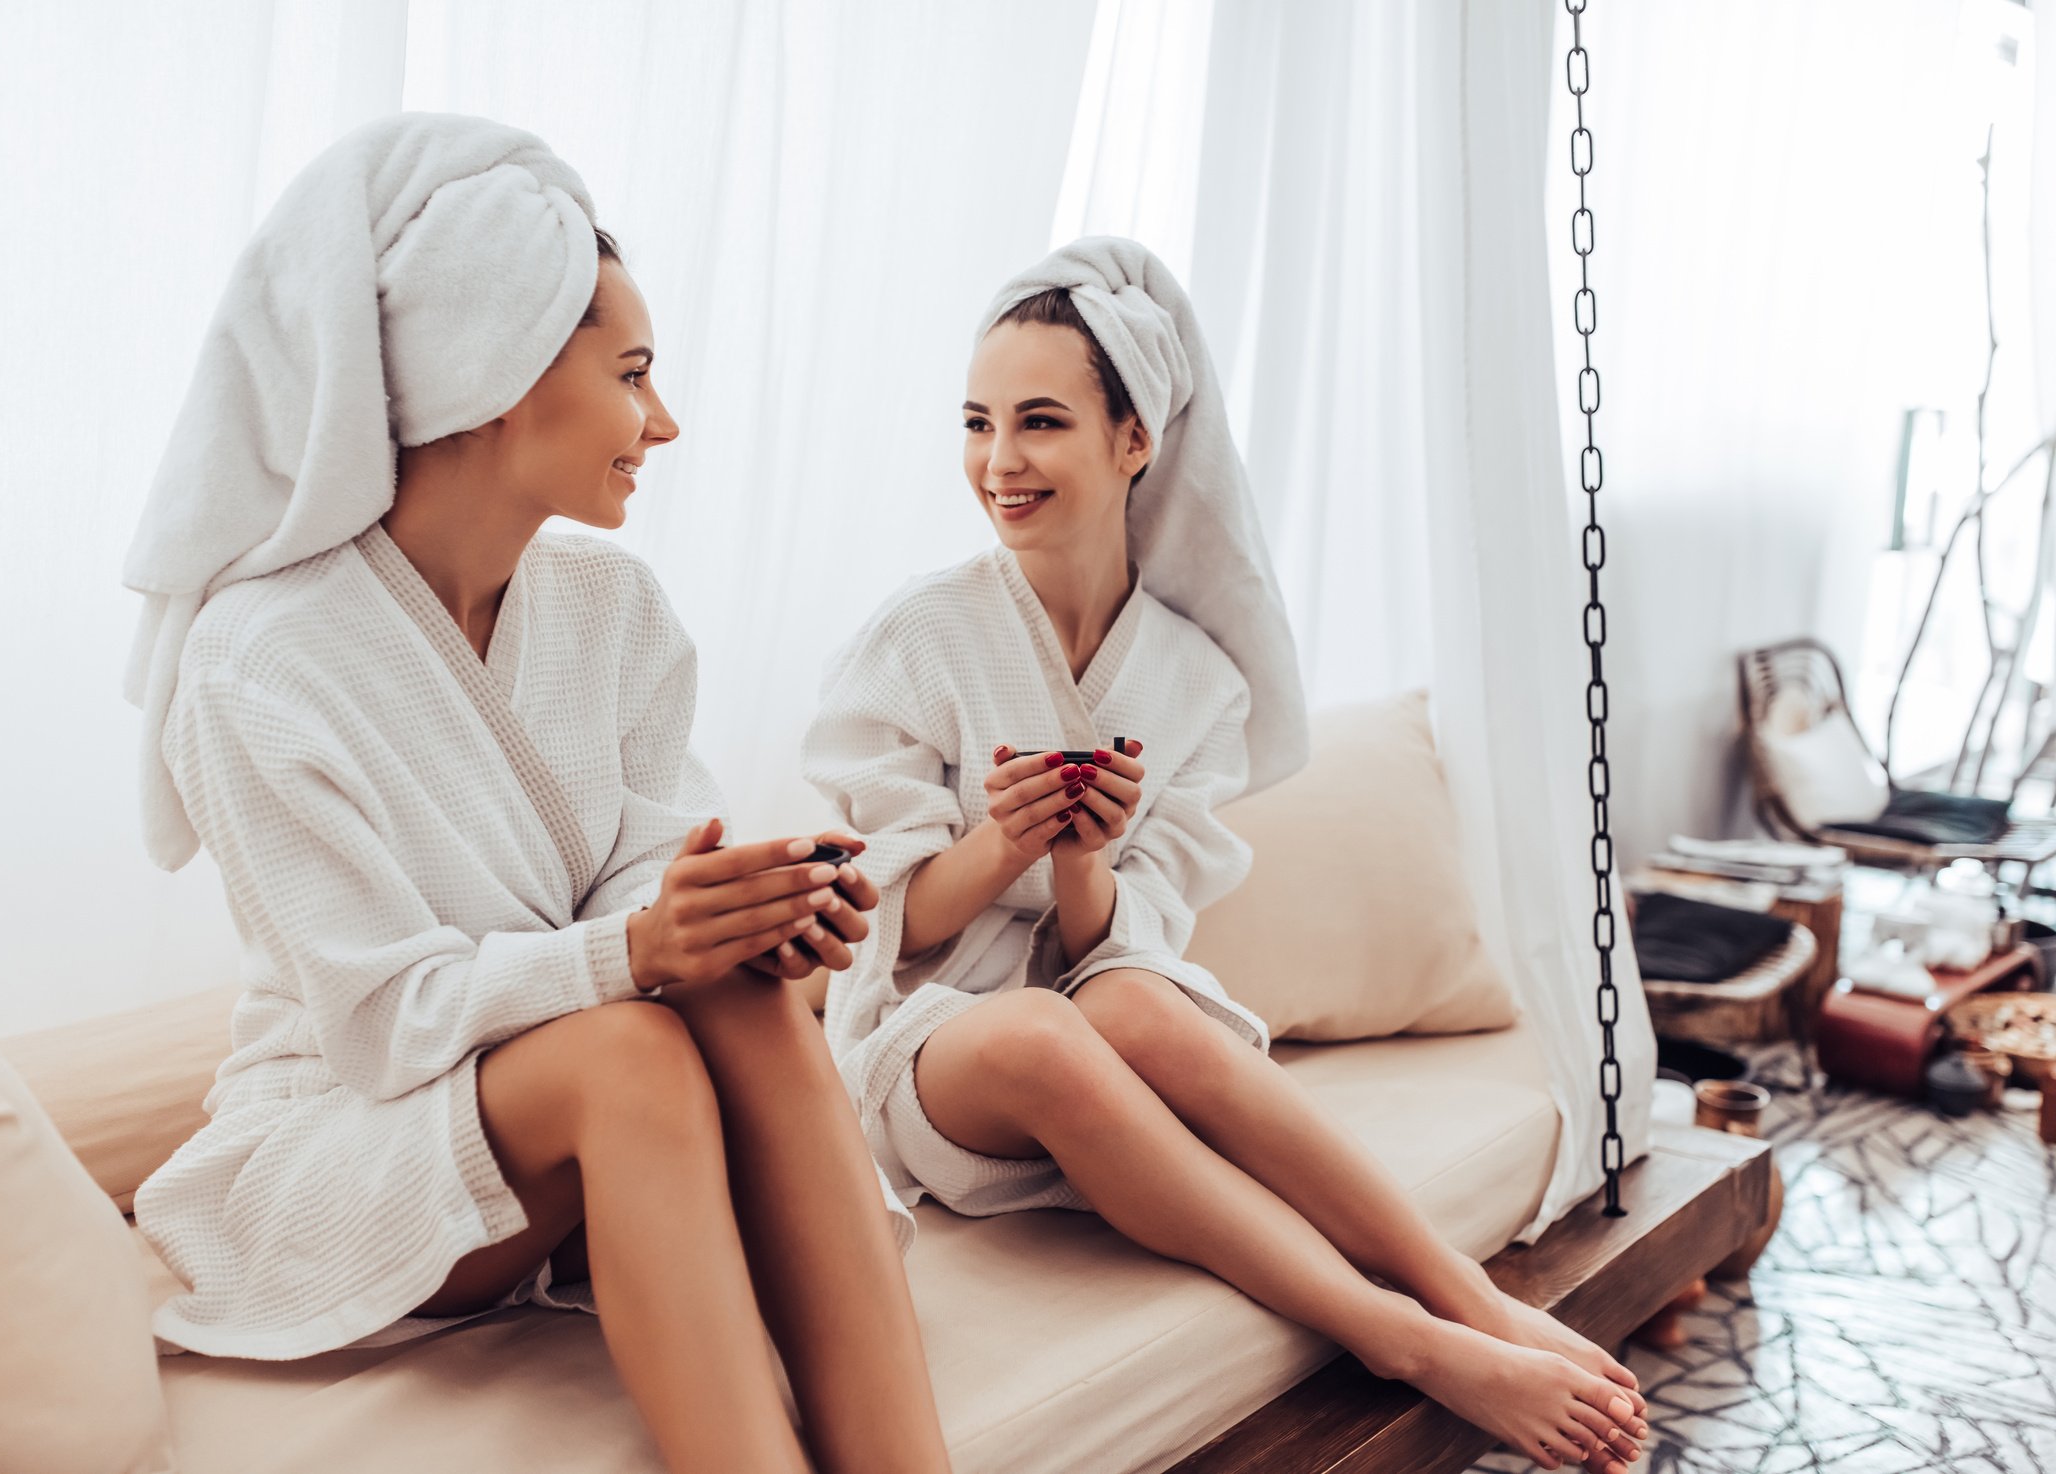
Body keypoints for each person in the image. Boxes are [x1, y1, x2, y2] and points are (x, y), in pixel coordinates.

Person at [124, 113, 947, 1474]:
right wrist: (634, 949)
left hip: (564, 1118)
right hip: (345, 1135)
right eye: (633, 374)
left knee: (726, 991)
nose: (663, 421)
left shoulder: (614, 606)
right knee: (628, 1045)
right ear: (496, 370)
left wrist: (734, 916)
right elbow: (386, 1025)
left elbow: (643, 877)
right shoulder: (258, 661)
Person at [804, 237, 1648, 1474]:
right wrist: (1003, 842)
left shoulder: (1194, 679)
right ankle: (1404, 1336)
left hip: (1102, 1026)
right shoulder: (920, 636)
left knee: (1134, 1003)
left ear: (1135, 439)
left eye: (1040, 422)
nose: (999, 461)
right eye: (979, 421)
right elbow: (892, 927)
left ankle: (1463, 1292)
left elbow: (1118, 948)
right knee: (1047, 1032)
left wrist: (1086, 858)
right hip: (935, 1054)